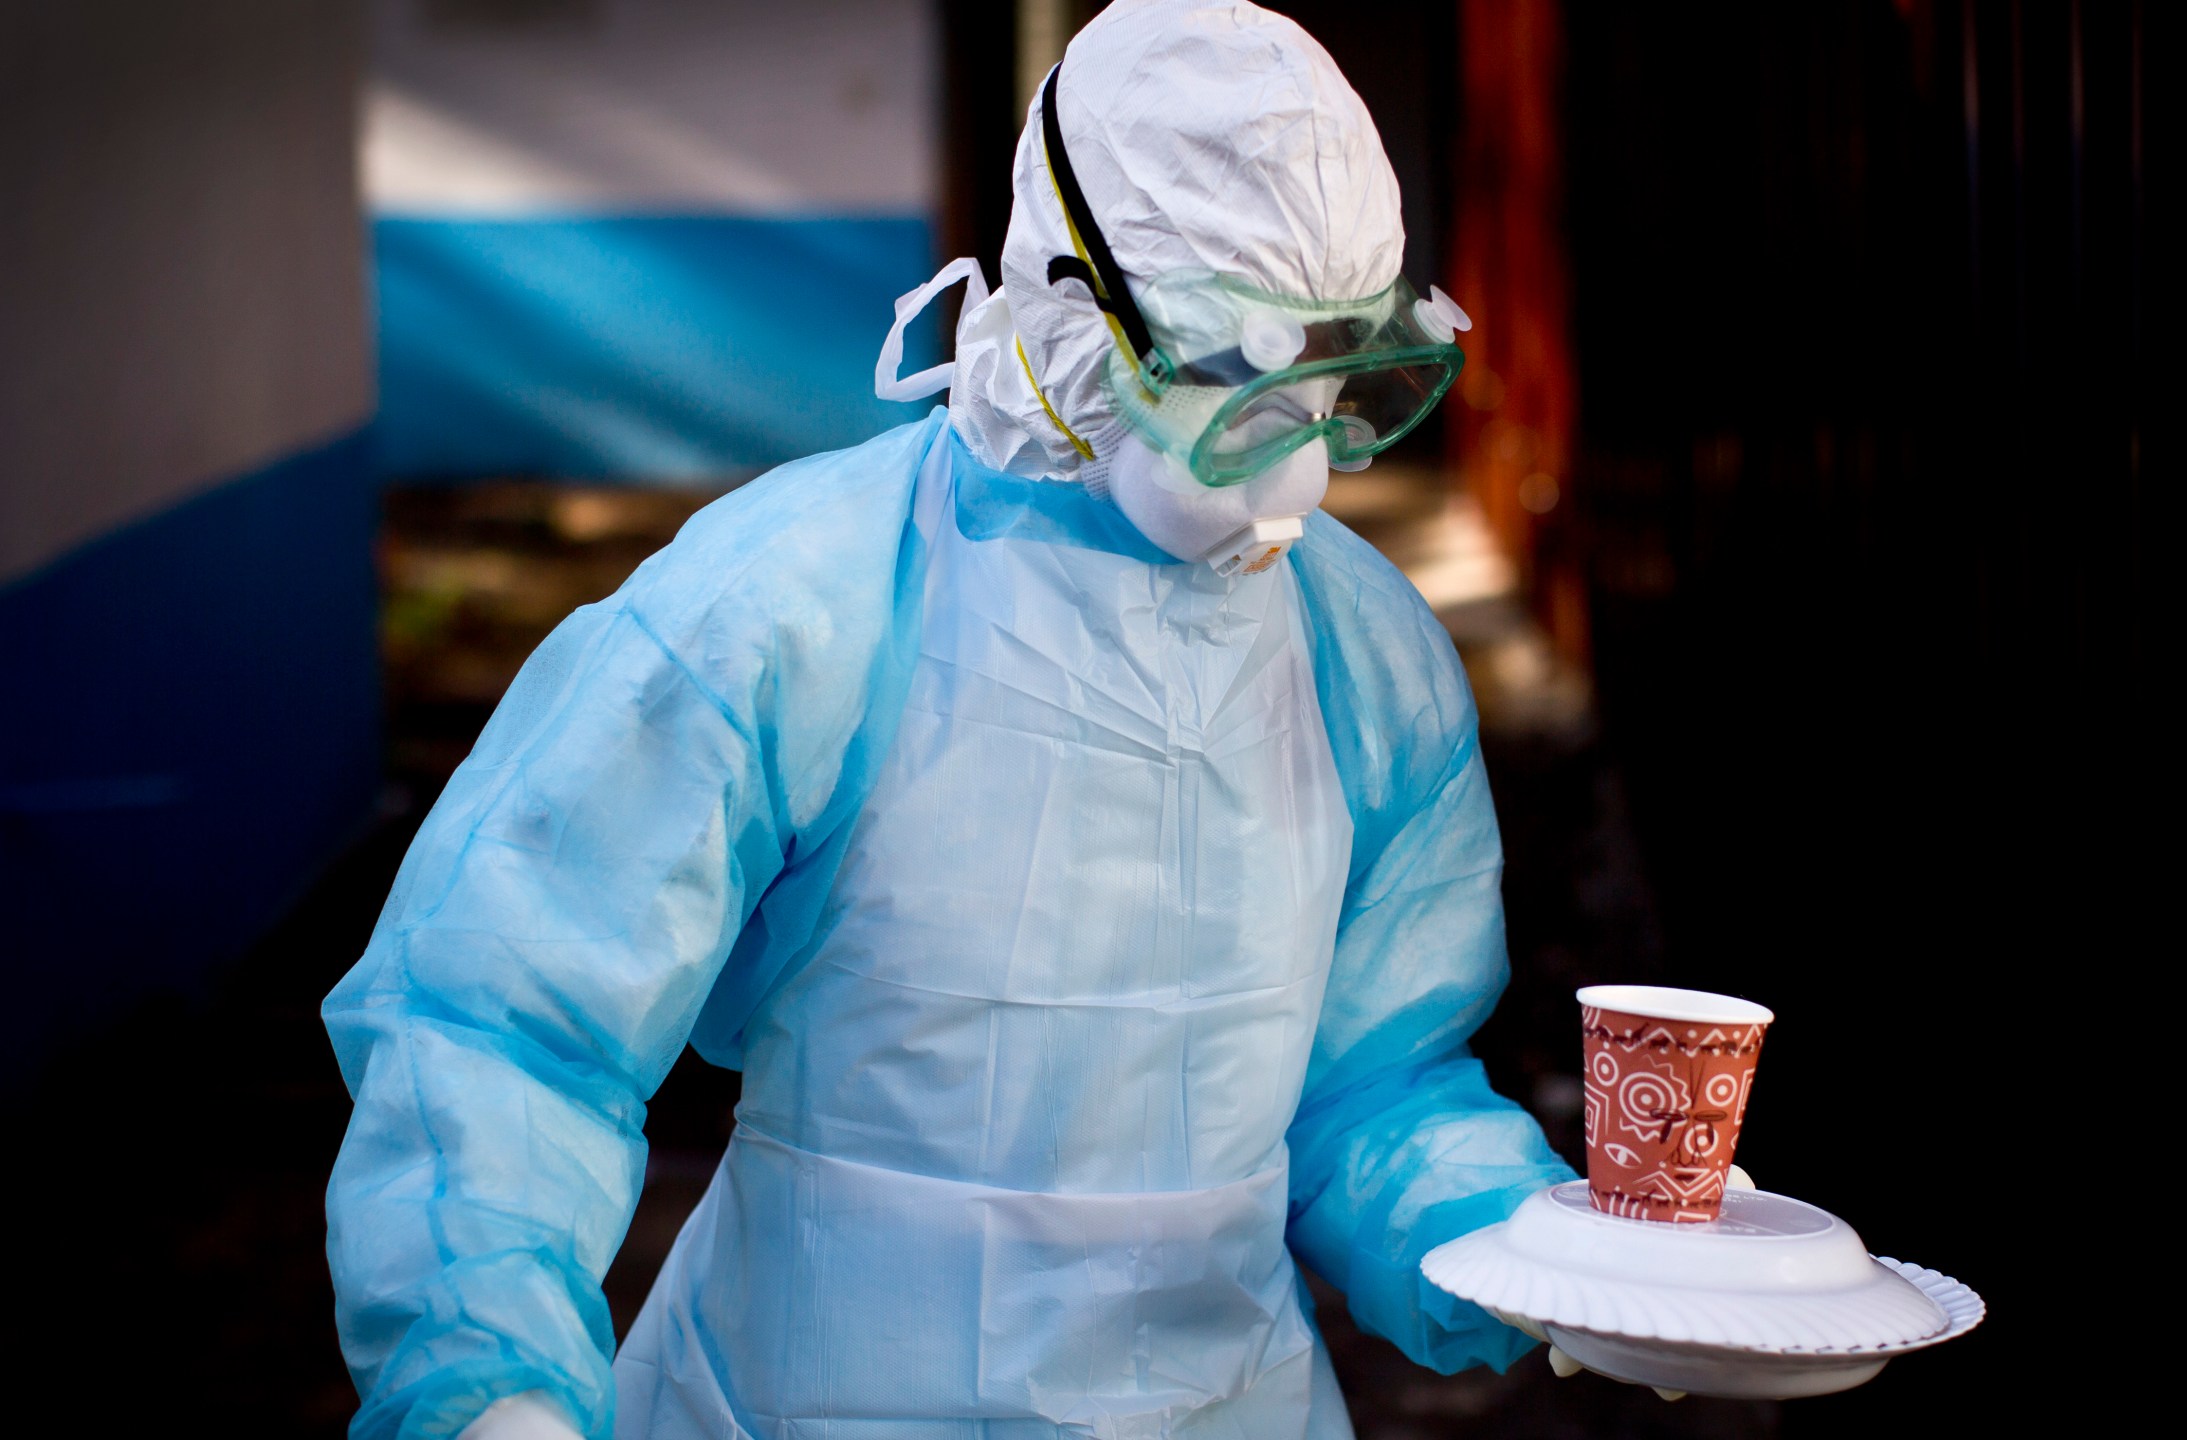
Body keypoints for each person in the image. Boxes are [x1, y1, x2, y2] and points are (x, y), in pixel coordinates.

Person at [323, 4, 1584, 1436]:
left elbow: (1374, 1086)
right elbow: (507, 1024)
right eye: (1231, 389)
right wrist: (491, 1388)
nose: (1295, 477)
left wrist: (1549, 1263)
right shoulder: (800, 604)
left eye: (1334, 387)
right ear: (1068, 309)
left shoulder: (1361, 653)